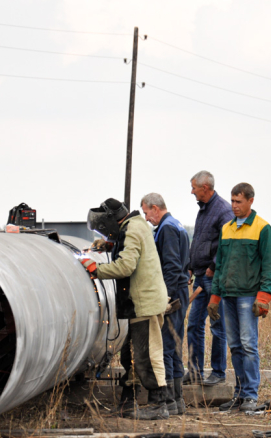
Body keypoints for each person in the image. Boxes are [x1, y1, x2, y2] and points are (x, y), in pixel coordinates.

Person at [81, 198, 170, 420]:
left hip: (145, 303)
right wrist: (111, 245)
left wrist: (96, 268)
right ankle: (128, 402)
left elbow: (127, 265)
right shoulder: (134, 226)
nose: (105, 234)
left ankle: (159, 404)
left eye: (104, 231)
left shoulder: (132, 229)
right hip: (137, 303)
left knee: (147, 355)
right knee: (130, 354)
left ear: (111, 220)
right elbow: (132, 252)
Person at [208, 183, 271, 412]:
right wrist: (214, 297)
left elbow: (269, 266)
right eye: (232, 201)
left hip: (248, 297)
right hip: (227, 296)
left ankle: (250, 396)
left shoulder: (262, 228)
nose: (234, 206)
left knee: (248, 345)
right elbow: (220, 266)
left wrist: (264, 297)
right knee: (235, 346)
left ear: (250, 201)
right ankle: (239, 394)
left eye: (238, 202)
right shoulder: (226, 228)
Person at [140, 193, 190, 416]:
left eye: (146, 213)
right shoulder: (176, 224)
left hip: (173, 292)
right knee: (175, 346)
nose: (146, 218)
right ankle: (178, 401)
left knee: (166, 346)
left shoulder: (167, 228)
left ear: (155, 208)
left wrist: (166, 298)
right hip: (182, 290)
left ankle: (167, 401)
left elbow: (171, 266)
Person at [184, 171, 233, 387]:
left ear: (205, 187)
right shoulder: (203, 210)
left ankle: (219, 372)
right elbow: (199, 240)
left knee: (217, 325)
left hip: (213, 278)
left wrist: (214, 266)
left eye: (194, 187)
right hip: (200, 277)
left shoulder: (223, 210)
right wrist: (190, 267)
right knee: (194, 324)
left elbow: (227, 242)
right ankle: (194, 372)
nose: (191, 191)